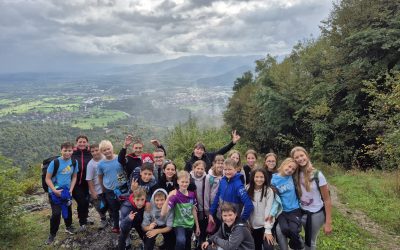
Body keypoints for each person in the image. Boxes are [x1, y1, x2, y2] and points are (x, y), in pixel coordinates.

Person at [291, 146, 332, 250]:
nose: (300, 159)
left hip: (316, 214)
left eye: (302, 155)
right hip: (301, 212)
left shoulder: (318, 175)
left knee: (310, 242)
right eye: (296, 157)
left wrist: (328, 223)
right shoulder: (294, 174)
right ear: (294, 160)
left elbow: (327, 200)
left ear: (307, 156)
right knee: (294, 236)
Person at [45, 142, 78, 244]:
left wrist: (71, 190)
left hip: (66, 191)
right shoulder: (55, 163)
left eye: (69, 150)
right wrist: (54, 191)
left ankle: (68, 226)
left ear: (72, 151)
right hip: (54, 192)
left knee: (67, 209)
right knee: (56, 213)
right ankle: (52, 234)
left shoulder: (74, 162)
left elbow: (74, 176)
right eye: (65, 150)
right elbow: (48, 179)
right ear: (61, 150)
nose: (67, 153)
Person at [161, 170, 200, 250]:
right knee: (181, 240)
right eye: (182, 182)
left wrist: (197, 226)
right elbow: (163, 213)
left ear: (189, 182)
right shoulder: (174, 196)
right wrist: (168, 197)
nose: (184, 184)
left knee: (187, 242)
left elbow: (193, 210)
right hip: (179, 224)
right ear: (178, 181)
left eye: (186, 182)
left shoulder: (192, 195)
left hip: (190, 224)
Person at [209, 158, 254, 228]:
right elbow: (217, 196)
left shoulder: (238, 185)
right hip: (221, 217)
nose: (227, 172)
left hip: (233, 221)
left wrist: (241, 220)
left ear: (236, 169)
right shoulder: (223, 180)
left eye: (230, 169)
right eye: (225, 169)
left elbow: (249, 205)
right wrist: (211, 213)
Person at [271, 158, 304, 250]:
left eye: (293, 169)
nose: (290, 170)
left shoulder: (292, 177)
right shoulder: (273, 179)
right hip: (282, 211)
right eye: (289, 166)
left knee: (294, 230)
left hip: (294, 209)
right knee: (284, 229)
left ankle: (297, 245)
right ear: (283, 164)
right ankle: (297, 239)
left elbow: (304, 168)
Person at [97, 140, 129, 234]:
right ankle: (116, 226)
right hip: (109, 190)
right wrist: (103, 190)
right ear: (101, 152)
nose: (107, 151)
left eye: (108, 149)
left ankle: (126, 225)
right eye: (104, 150)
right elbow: (100, 177)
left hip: (123, 188)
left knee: (124, 207)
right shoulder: (101, 164)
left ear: (112, 148)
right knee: (114, 209)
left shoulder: (119, 159)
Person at [246, 168, 275, 250]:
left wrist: (268, 230)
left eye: (261, 177)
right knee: (255, 247)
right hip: (251, 226)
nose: (259, 179)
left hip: (264, 225)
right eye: (257, 177)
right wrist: (247, 223)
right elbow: (245, 207)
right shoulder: (247, 188)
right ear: (253, 178)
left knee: (268, 247)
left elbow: (268, 210)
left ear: (265, 178)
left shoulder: (268, 191)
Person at [71, 135, 92, 230]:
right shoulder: (72, 153)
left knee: (86, 201)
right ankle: (82, 222)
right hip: (75, 183)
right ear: (77, 143)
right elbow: (62, 157)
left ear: (87, 143)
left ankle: (85, 218)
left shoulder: (90, 153)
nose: (82, 143)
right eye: (80, 142)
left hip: (87, 183)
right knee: (82, 202)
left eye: (84, 142)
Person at [86, 143, 108, 229]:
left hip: (107, 188)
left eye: (96, 150)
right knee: (100, 207)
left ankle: (112, 218)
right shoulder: (91, 164)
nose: (95, 153)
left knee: (109, 204)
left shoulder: (106, 158)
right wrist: (93, 192)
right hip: (97, 190)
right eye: (92, 151)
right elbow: (89, 179)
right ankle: (103, 219)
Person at [190, 160, 208, 249]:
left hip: (203, 206)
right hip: (193, 206)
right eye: (198, 168)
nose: (200, 170)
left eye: (202, 169)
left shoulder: (207, 178)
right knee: (195, 224)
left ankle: (202, 241)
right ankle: (196, 238)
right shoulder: (190, 178)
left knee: (202, 224)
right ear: (194, 168)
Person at [204, 155, 224, 230]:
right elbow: (206, 193)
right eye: (218, 163)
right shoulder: (209, 177)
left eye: (222, 163)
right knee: (212, 227)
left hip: (222, 204)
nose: (220, 165)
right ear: (214, 164)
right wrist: (207, 210)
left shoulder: (225, 175)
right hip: (212, 205)